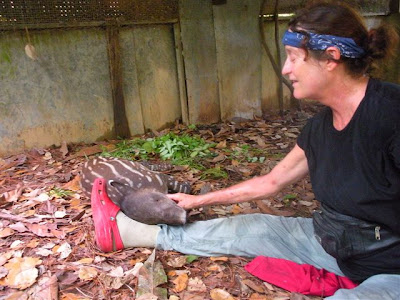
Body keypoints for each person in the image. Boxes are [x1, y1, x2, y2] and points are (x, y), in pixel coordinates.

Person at [92, 1, 400, 299]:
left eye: (294, 57)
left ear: (330, 58)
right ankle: (129, 233)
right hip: (331, 244)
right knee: (250, 226)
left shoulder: (390, 113)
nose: (286, 68)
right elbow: (271, 182)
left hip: (393, 270)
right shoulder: (319, 128)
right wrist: (199, 199)